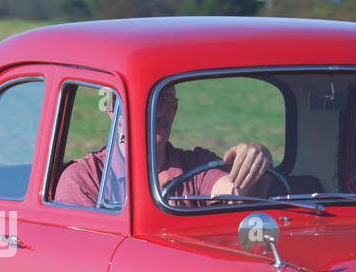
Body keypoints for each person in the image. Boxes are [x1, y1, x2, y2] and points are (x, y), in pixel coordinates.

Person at [55, 85, 273, 207]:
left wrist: (254, 157)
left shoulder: (195, 166)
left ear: (175, 110)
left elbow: (237, 192)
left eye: (166, 102)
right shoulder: (86, 178)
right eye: (147, 103)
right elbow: (85, 255)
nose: (159, 112)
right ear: (115, 114)